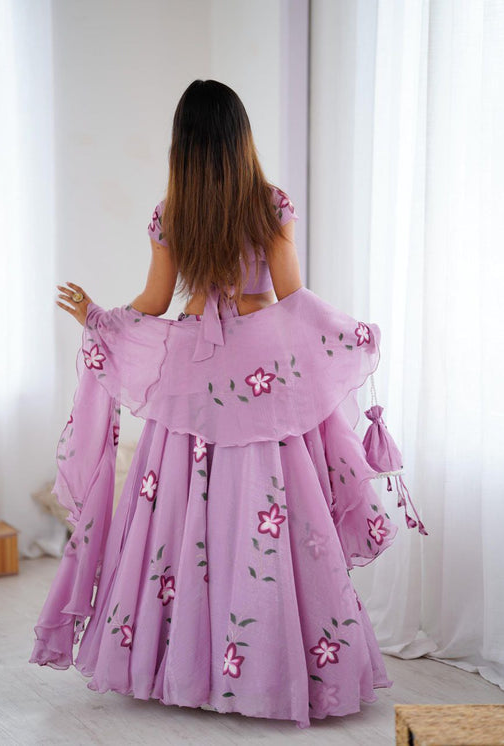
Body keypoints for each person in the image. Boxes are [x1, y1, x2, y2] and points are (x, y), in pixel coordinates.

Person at [29, 79, 407, 730]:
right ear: (240, 135)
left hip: (194, 376)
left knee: (182, 517)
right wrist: (348, 333)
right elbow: (292, 299)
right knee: (268, 514)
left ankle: (184, 666)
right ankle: (271, 666)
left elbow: (155, 303)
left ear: (184, 142)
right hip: (260, 375)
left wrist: (99, 317)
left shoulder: (172, 212)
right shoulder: (269, 204)